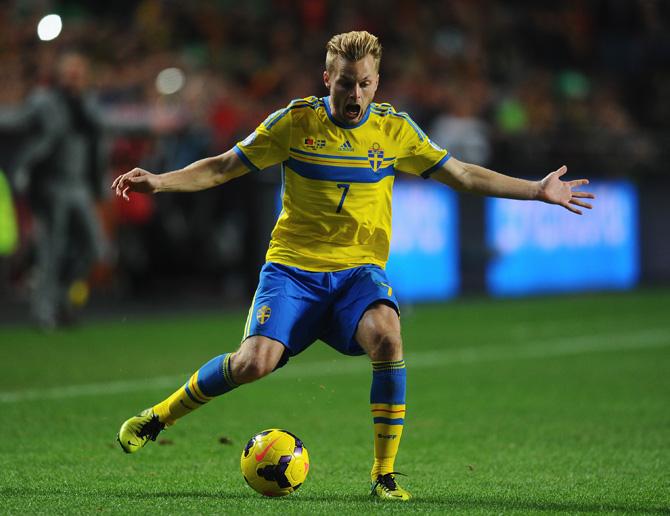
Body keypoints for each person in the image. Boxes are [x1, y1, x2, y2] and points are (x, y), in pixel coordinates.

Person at [112, 31, 594, 501]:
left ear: (377, 82)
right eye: (346, 82)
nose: (355, 94)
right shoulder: (294, 123)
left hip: (358, 273)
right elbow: (222, 166)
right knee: (252, 363)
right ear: (328, 79)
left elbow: (463, 174)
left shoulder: (395, 130)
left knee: (388, 336)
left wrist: (536, 190)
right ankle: (157, 417)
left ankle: (384, 475)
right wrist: (161, 180)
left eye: (365, 83)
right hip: (293, 271)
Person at [0, 52, 108, 329]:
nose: (75, 76)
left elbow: (98, 143)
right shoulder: (44, 101)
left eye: (79, 71)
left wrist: (100, 184)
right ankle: (44, 311)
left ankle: (61, 297)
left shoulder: (88, 105)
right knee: (51, 248)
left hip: (79, 184)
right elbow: (17, 120)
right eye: (70, 71)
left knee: (96, 248)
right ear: (60, 74)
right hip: (50, 183)